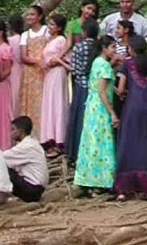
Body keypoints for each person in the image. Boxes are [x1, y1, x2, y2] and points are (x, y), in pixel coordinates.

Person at [113, 34, 147, 200]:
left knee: (128, 141)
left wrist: (118, 92)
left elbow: (121, 89)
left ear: (132, 49)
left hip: (133, 106)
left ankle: (123, 189)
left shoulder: (128, 63)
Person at [74, 34, 119, 196]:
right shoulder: (104, 65)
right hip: (100, 109)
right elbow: (102, 92)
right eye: (112, 47)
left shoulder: (97, 63)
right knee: (101, 143)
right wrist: (112, 112)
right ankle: (100, 182)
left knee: (91, 142)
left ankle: (88, 180)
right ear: (104, 48)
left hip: (92, 107)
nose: (115, 50)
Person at [65, 17, 99, 161]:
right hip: (96, 88)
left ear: (84, 32)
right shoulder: (99, 47)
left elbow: (74, 70)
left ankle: (75, 152)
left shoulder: (79, 47)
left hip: (81, 86)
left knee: (79, 119)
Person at [39, 13, 71, 156]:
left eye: (52, 24)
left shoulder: (61, 40)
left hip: (58, 73)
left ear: (59, 27)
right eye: (49, 24)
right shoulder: (49, 39)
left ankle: (59, 140)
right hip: (49, 74)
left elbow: (67, 60)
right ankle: (48, 139)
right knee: (49, 105)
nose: (49, 27)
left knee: (57, 104)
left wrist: (56, 61)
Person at [18, 4, 50, 142]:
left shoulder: (47, 31)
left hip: (46, 71)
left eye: (32, 14)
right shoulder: (25, 35)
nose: (29, 17)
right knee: (30, 102)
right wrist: (37, 62)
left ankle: (44, 136)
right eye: (28, 15)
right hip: (30, 73)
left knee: (44, 101)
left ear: (40, 16)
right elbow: (23, 56)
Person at [3, 115, 49, 201]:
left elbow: (2, 158)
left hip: (32, 190)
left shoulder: (26, 146)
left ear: (21, 131)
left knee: (0, 166)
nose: (11, 133)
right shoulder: (32, 143)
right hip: (36, 189)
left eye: (13, 129)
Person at [0, 20, 15, 150]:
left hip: (1, 85)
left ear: (0, 33)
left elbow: (7, 69)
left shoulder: (5, 48)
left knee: (2, 114)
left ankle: (3, 143)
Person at [7, 13, 24, 118]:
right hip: (20, 69)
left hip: (12, 69)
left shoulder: (11, 40)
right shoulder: (22, 38)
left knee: (12, 96)